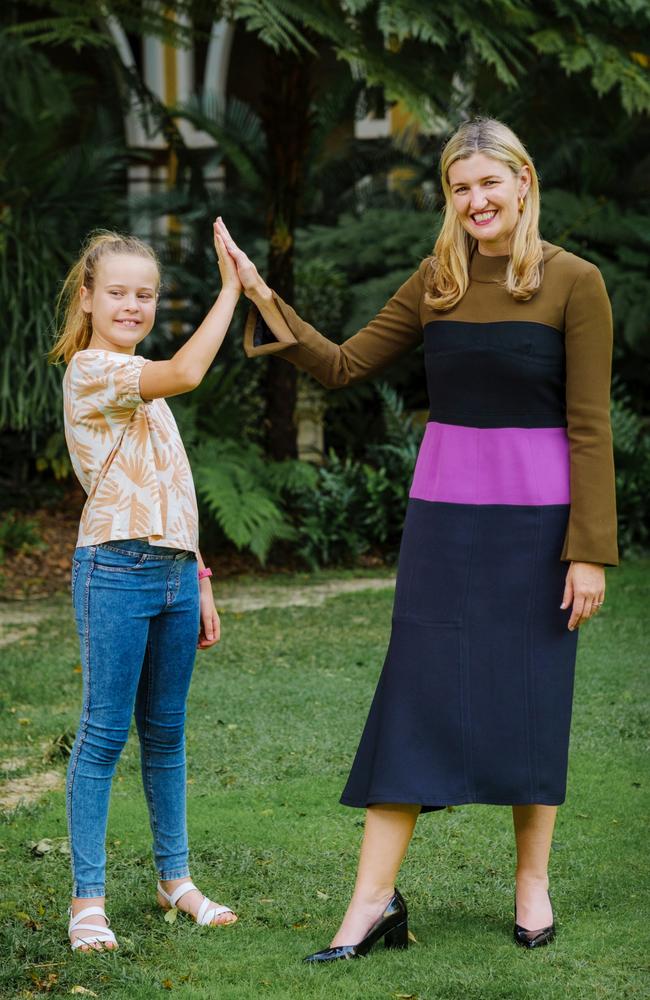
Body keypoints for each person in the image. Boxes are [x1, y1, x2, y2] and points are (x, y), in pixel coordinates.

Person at [215, 116, 618, 960]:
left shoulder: (576, 283)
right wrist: (262, 296)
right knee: (412, 696)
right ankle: (370, 903)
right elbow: (345, 364)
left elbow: (589, 426)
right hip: (443, 525)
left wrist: (589, 550)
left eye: (488, 184)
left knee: (532, 696)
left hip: (539, 532)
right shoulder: (434, 280)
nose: (475, 201)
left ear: (523, 183)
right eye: (459, 188)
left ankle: (532, 884)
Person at [50, 224, 242, 952]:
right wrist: (232, 290)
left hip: (169, 576)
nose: (133, 304)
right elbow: (190, 371)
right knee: (103, 736)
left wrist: (200, 579)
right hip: (115, 571)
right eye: (119, 292)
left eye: (146, 294)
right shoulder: (95, 371)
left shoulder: (142, 386)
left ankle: (175, 880)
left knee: (166, 735)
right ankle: (87, 901)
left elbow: (173, 489)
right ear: (90, 297)